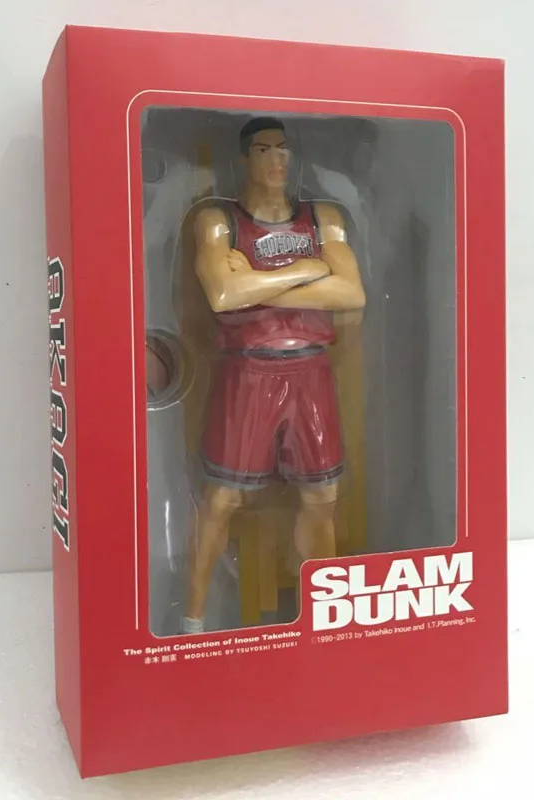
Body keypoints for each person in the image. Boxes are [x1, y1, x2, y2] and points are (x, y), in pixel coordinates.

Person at [183, 116, 366, 634]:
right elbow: (224, 295)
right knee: (222, 499)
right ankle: (193, 618)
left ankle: (324, 616)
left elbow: (351, 293)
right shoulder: (218, 220)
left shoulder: (324, 218)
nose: (277, 159)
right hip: (248, 373)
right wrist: (310, 270)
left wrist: (258, 284)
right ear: (245, 158)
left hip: (311, 371)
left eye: (283, 149)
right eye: (264, 150)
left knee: (323, 497)